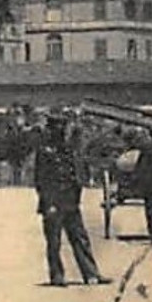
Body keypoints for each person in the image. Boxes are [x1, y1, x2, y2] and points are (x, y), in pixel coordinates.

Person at [34, 113, 106, 287]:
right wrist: (48, 203)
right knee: (54, 242)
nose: (61, 132)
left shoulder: (68, 150)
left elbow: (75, 175)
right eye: (57, 128)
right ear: (51, 130)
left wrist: (78, 193)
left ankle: (91, 274)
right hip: (53, 203)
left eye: (63, 128)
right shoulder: (44, 152)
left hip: (70, 202)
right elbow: (41, 180)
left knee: (80, 238)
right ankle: (57, 276)